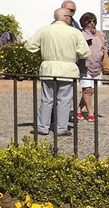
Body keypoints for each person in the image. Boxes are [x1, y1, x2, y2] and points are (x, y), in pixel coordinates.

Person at [24, 8, 89, 136]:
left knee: (46, 99)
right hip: (68, 70)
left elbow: (29, 46)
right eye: (70, 16)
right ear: (66, 17)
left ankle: (42, 127)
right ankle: (61, 128)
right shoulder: (74, 32)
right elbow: (85, 52)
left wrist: (42, 52)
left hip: (48, 68)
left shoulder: (45, 30)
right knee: (64, 100)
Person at [78, 12, 109, 121]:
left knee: (91, 91)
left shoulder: (100, 34)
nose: (92, 23)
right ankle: (90, 112)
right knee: (87, 90)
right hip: (85, 67)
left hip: (97, 66)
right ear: (83, 22)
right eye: (89, 21)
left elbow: (106, 47)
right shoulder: (80, 35)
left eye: (93, 21)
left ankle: (78, 109)